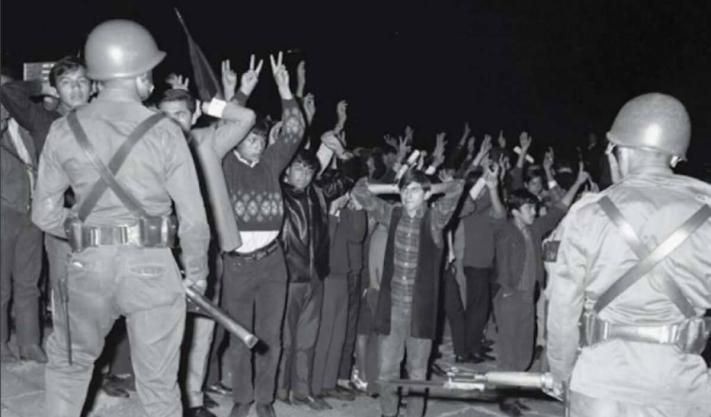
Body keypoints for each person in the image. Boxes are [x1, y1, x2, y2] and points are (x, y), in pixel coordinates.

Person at [32, 19, 210, 417]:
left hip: (88, 268)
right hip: (153, 267)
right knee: (159, 387)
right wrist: (197, 274)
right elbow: (195, 221)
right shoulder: (166, 131)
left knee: (69, 370)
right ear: (140, 74)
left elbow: (43, 213)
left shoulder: (63, 129)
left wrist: (87, 232)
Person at [546, 93, 711, 417]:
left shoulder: (588, 214)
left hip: (602, 384)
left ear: (621, 151)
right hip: (681, 388)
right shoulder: (707, 215)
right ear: (674, 158)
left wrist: (561, 374)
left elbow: (563, 308)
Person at [219, 53, 305, 417]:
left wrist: (286, 90)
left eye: (259, 138)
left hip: (272, 263)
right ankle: (242, 399)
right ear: (237, 141)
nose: (256, 142)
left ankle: (265, 400)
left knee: (272, 336)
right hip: (237, 265)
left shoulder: (271, 162)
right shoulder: (224, 164)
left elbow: (295, 131)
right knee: (240, 334)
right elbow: (222, 128)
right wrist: (241, 92)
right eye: (249, 137)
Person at [351, 169, 464, 417]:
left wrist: (428, 188)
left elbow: (457, 187)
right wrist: (395, 186)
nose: (407, 195)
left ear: (426, 194)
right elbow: (359, 190)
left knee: (417, 373)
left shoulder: (435, 218)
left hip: (420, 310)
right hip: (392, 308)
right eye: (404, 190)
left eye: (413, 190)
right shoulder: (392, 214)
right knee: (387, 371)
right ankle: (388, 413)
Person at [0, 58, 91, 364]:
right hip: (11, 212)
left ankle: (30, 343)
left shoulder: (37, 123)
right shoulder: (19, 125)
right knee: (3, 285)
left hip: (38, 213)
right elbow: (10, 93)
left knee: (30, 283)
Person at [276, 146, 352, 410]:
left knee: (307, 340)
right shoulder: (277, 192)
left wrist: (340, 151)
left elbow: (349, 176)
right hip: (288, 277)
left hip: (315, 278)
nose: (304, 176)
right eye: (299, 169)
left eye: (309, 171)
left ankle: (302, 391)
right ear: (287, 169)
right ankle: (279, 390)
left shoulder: (318, 193)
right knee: (285, 339)